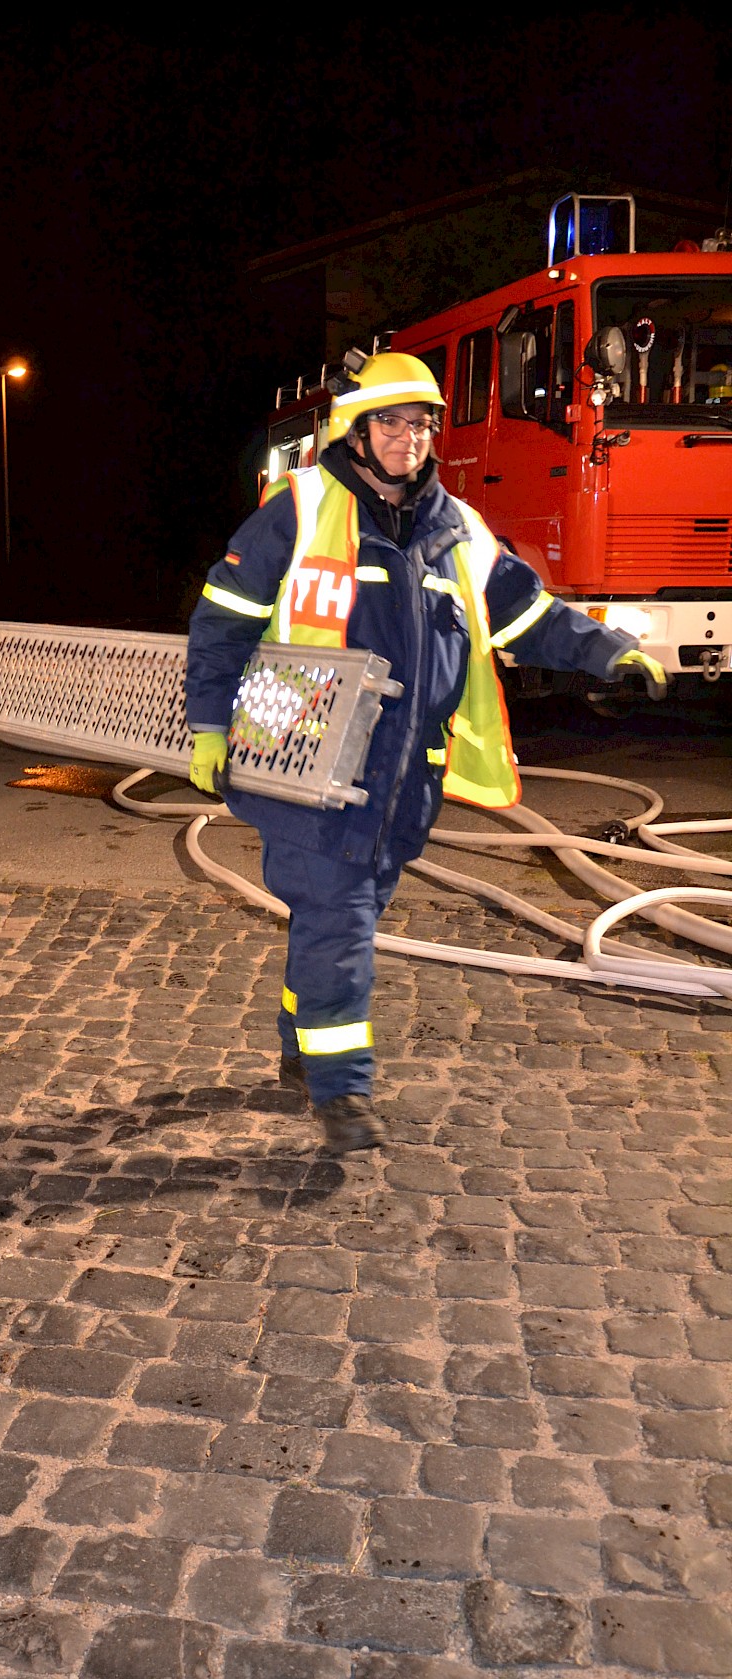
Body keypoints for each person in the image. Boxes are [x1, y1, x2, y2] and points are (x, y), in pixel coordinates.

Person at [186, 351, 665, 1155]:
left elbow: (529, 617)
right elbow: (224, 620)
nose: (408, 437)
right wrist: (208, 723)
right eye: (391, 421)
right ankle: (344, 1092)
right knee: (339, 917)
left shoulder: (459, 531)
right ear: (356, 430)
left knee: (344, 914)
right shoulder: (298, 508)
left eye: (421, 423)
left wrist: (609, 652)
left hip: (407, 774)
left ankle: (302, 1043)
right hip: (307, 757)